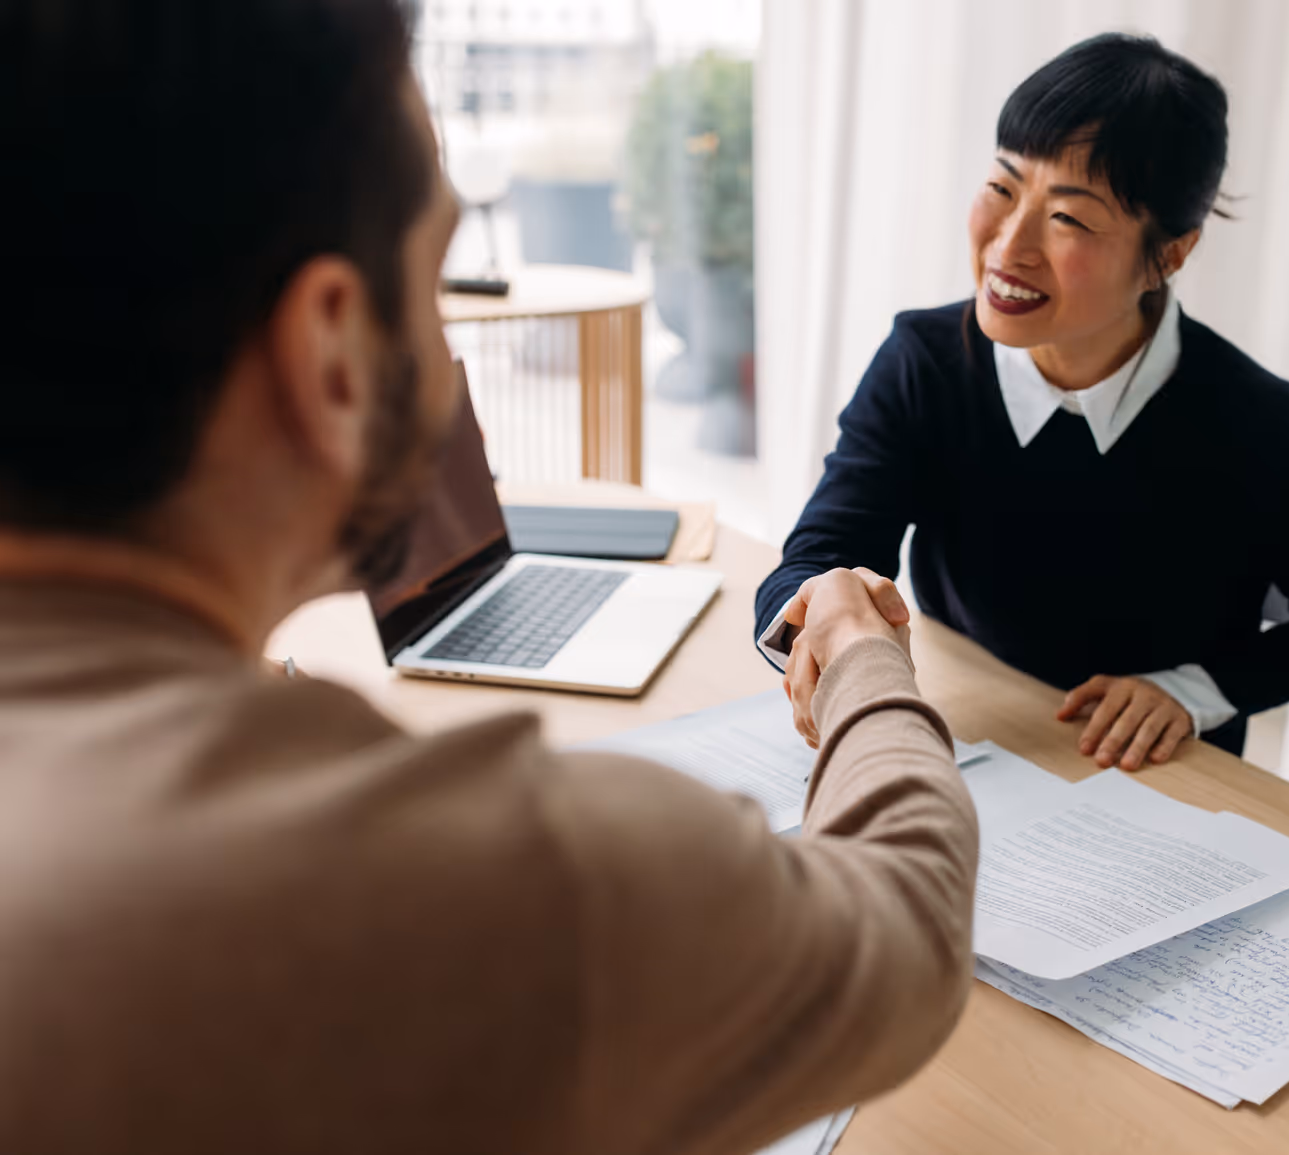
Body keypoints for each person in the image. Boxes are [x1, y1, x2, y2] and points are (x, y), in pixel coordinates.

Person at [0, 3, 977, 1153]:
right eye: (435, 281)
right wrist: (863, 655)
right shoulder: (484, 884)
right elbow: (905, 925)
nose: (447, 352)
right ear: (330, 353)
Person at [757, 33, 1289, 770]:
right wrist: (822, 602)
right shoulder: (926, 363)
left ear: (1168, 255)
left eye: (1068, 218)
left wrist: (1196, 689)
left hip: (1155, 771)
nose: (1008, 245)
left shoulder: (1273, 430)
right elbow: (820, 551)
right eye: (1002, 188)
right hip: (975, 730)